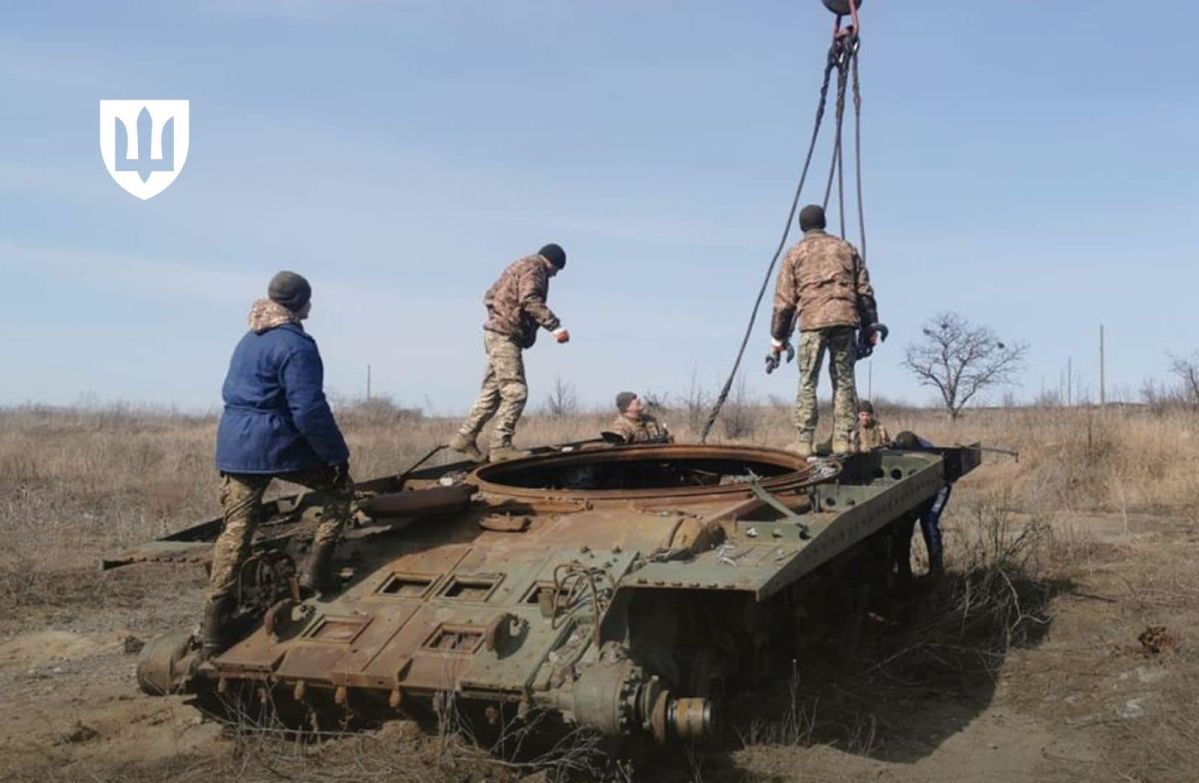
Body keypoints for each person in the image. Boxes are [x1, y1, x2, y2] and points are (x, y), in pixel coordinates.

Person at [206, 272, 353, 657]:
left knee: (236, 527)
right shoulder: (296, 345)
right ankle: (317, 570)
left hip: (235, 443)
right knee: (340, 490)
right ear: (302, 303)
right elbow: (308, 409)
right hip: (275, 442)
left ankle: (213, 623)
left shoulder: (249, 338)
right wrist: (335, 455)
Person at [768, 204, 879, 457]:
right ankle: (843, 440)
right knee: (843, 380)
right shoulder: (845, 248)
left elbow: (784, 301)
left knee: (808, 381)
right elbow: (864, 291)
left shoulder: (795, 254)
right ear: (824, 222)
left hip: (813, 323)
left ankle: (804, 440)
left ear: (802, 226)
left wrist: (778, 338)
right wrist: (870, 325)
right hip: (845, 320)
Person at [450, 244, 570, 462]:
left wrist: (499, 316)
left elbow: (490, 295)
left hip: (497, 334)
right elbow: (530, 299)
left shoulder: (517, 267)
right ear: (552, 263)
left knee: (492, 392)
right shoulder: (535, 268)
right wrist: (555, 327)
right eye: (557, 270)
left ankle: (465, 437)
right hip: (505, 337)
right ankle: (500, 446)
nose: (555, 275)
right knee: (516, 392)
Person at [891, 430, 948, 579]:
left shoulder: (927, 452)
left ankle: (936, 569)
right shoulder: (898, 450)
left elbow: (932, 480)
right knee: (904, 526)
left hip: (938, 486)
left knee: (929, 522)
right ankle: (904, 572)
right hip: (914, 489)